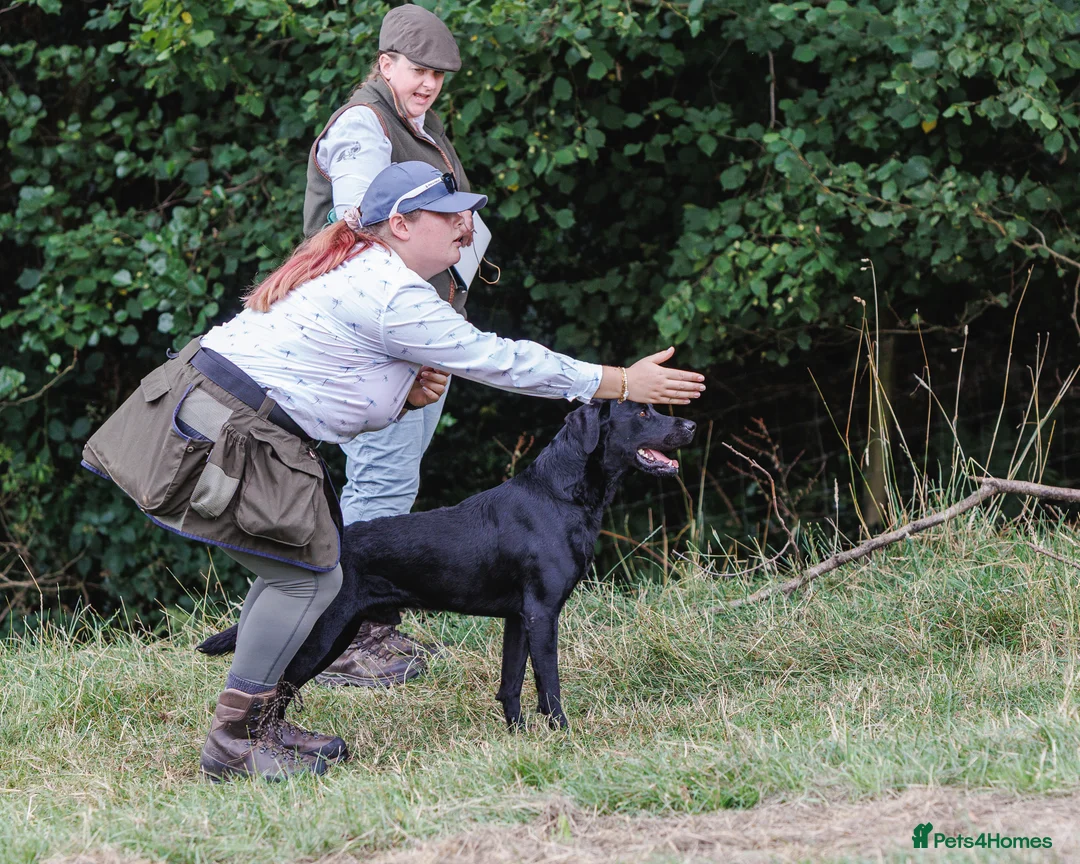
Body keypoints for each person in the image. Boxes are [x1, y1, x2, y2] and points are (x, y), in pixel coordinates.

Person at [82, 161, 706, 781]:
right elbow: (498, 360)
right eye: (448, 214)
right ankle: (237, 740)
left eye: (467, 212)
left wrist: (402, 393)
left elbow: (325, 378)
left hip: (211, 419)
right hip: (220, 434)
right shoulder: (392, 291)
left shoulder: (358, 266)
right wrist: (617, 380)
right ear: (401, 224)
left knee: (311, 574)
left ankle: (255, 726)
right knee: (307, 579)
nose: (466, 224)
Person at [303, 3, 481, 684]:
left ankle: (367, 626)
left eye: (438, 73)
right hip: (380, 335)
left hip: (416, 330)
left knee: (392, 476)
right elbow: (362, 225)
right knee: (379, 477)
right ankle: (352, 641)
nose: (430, 82)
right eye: (418, 69)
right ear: (385, 64)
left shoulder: (418, 123)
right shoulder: (362, 126)